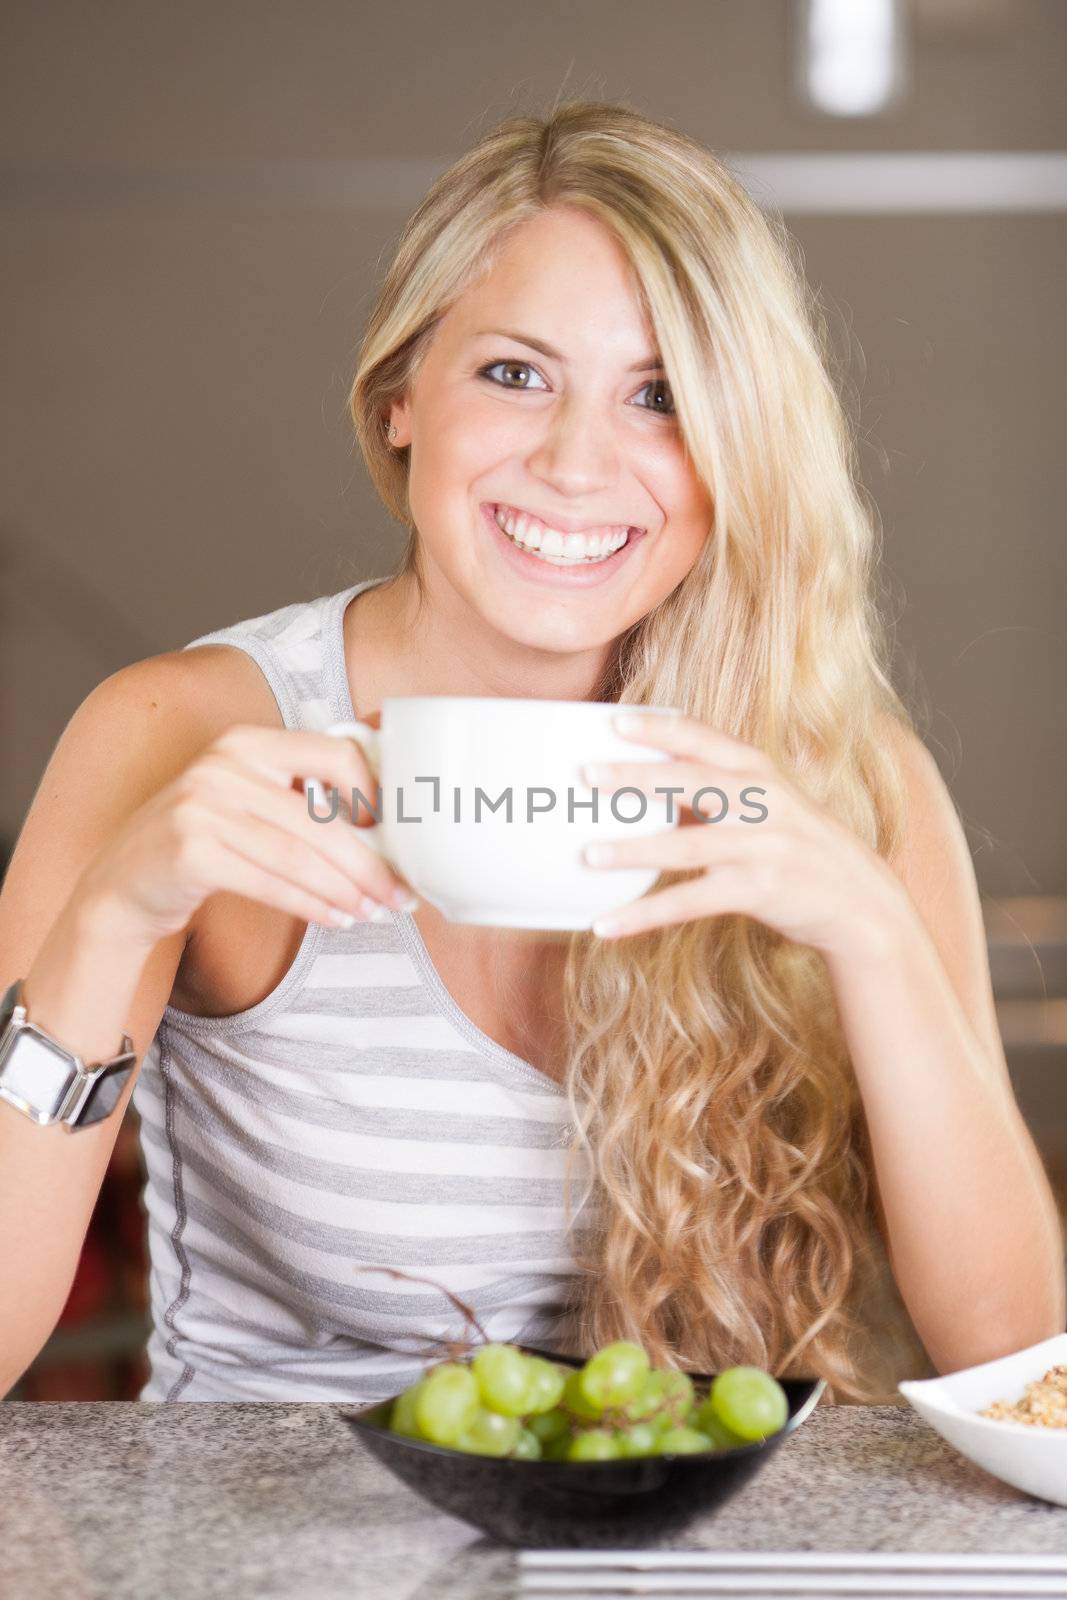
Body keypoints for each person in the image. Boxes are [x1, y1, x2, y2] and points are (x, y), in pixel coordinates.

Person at [1, 100, 1062, 1407]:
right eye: (516, 373)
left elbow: (1015, 1364)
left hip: (675, 1544)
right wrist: (111, 919)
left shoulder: (842, 776)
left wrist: (874, 932)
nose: (576, 462)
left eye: (661, 396)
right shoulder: (184, 735)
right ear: (400, 399)